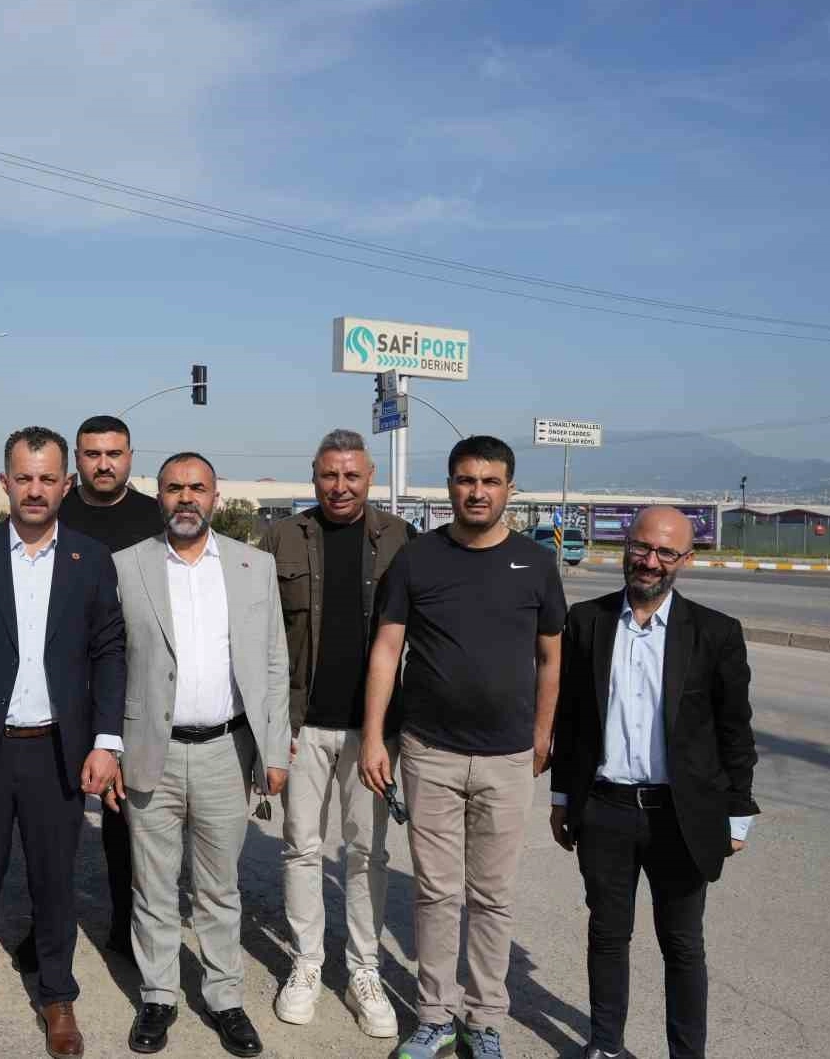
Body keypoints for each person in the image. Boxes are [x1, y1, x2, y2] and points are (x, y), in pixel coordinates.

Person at [360, 435, 566, 1059]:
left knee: (492, 897)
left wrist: (542, 734)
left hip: (507, 757)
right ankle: (435, 1015)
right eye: (466, 480)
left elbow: (551, 658)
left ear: (509, 489)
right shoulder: (417, 559)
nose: (478, 492)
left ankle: (483, 1019)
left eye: (490, 481)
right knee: (436, 893)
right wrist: (374, 736)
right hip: (431, 753)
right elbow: (387, 651)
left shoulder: (536, 563)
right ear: (450, 485)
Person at [0, 426, 125, 1059]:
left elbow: (109, 651)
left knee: (55, 883)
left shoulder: (90, 558)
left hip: (58, 751)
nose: (35, 490)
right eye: (24, 478)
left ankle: (57, 996)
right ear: (5, 482)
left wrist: (106, 742)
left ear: (66, 484)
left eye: (47, 479)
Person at [550, 506, 759, 1059]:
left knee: (683, 945)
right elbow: (571, 719)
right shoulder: (587, 621)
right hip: (605, 809)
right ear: (625, 547)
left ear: (685, 559)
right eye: (642, 547)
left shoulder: (715, 633)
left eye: (666, 552)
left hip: (681, 817)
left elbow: (735, 732)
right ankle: (605, 1046)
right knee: (607, 935)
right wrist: (562, 796)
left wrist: (738, 814)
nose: (650, 561)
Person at [109, 452, 290, 1057]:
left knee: (219, 888)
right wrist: (108, 749)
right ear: (158, 495)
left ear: (215, 496)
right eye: (173, 488)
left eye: (197, 488)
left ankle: (224, 997)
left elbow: (274, 661)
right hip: (150, 750)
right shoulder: (127, 565)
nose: (185, 498)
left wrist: (274, 748)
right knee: (153, 885)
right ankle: (158, 996)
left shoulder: (253, 565)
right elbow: (108, 663)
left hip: (226, 750)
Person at [262, 429, 412, 1037]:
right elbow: (260, 635)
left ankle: (363, 970)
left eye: (352, 475)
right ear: (314, 475)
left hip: (372, 732)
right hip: (302, 727)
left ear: (370, 476)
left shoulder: (402, 538)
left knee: (367, 852)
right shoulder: (281, 538)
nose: (340, 486)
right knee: (301, 847)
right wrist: (271, 726)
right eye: (330, 475)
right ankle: (306, 962)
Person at [38, 413, 164, 965]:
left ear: (130, 457)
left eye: (114, 454)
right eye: (92, 454)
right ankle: (45, 928)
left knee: (124, 819)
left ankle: (126, 925)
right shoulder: (54, 512)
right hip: (59, 686)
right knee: (52, 821)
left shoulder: (155, 517)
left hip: (131, 685)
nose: (104, 464)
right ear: (78, 460)